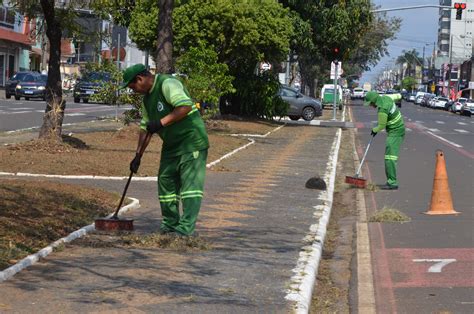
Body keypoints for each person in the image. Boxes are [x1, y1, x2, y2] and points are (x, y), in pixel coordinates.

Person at [122, 64, 209, 236]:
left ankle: (185, 229)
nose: (133, 91)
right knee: (165, 181)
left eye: (132, 87)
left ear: (140, 79)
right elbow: (145, 128)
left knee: (190, 186)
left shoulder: (167, 84)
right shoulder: (147, 100)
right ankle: (170, 223)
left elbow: (185, 107)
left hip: (191, 141)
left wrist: (161, 123)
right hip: (171, 145)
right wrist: (137, 156)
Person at [364, 91, 405, 190]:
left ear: (374, 101)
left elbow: (381, 125)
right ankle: (391, 181)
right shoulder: (387, 98)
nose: (370, 105)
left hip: (395, 132)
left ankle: (392, 183)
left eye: (370, 103)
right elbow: (398, 95)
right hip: (398, 130)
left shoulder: (383, 109)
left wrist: (374, 130)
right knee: (389, 156)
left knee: (390, 158)